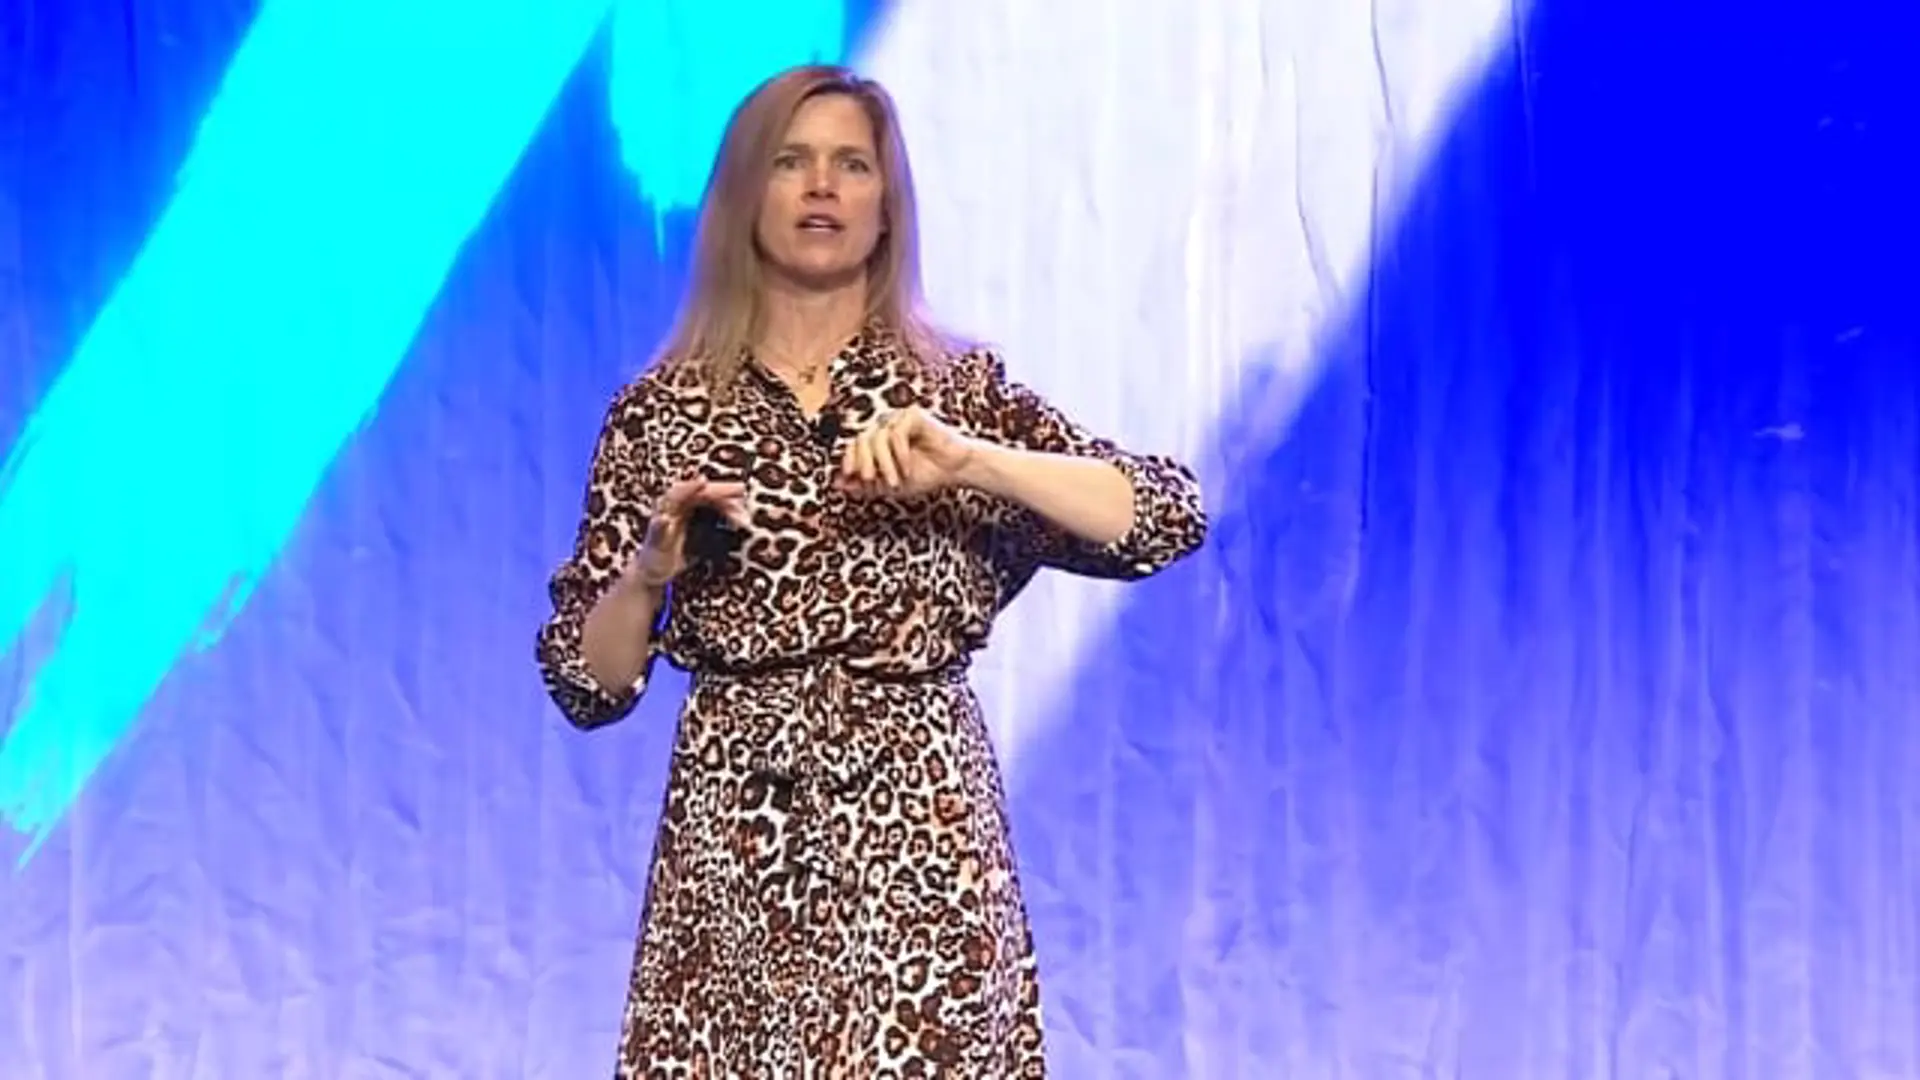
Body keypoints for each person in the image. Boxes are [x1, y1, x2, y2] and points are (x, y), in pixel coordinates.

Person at [536, 63, 1207, 1078]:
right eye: (791, 162)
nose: (822, 186)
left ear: (888, 207)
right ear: (744, 195)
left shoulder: (954, 393)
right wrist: (649, 573)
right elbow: (586, 685)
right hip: (736, 850)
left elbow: (1163, 515)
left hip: (920, 847)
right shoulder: (662, 413)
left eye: (852, 165)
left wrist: (973, 462)